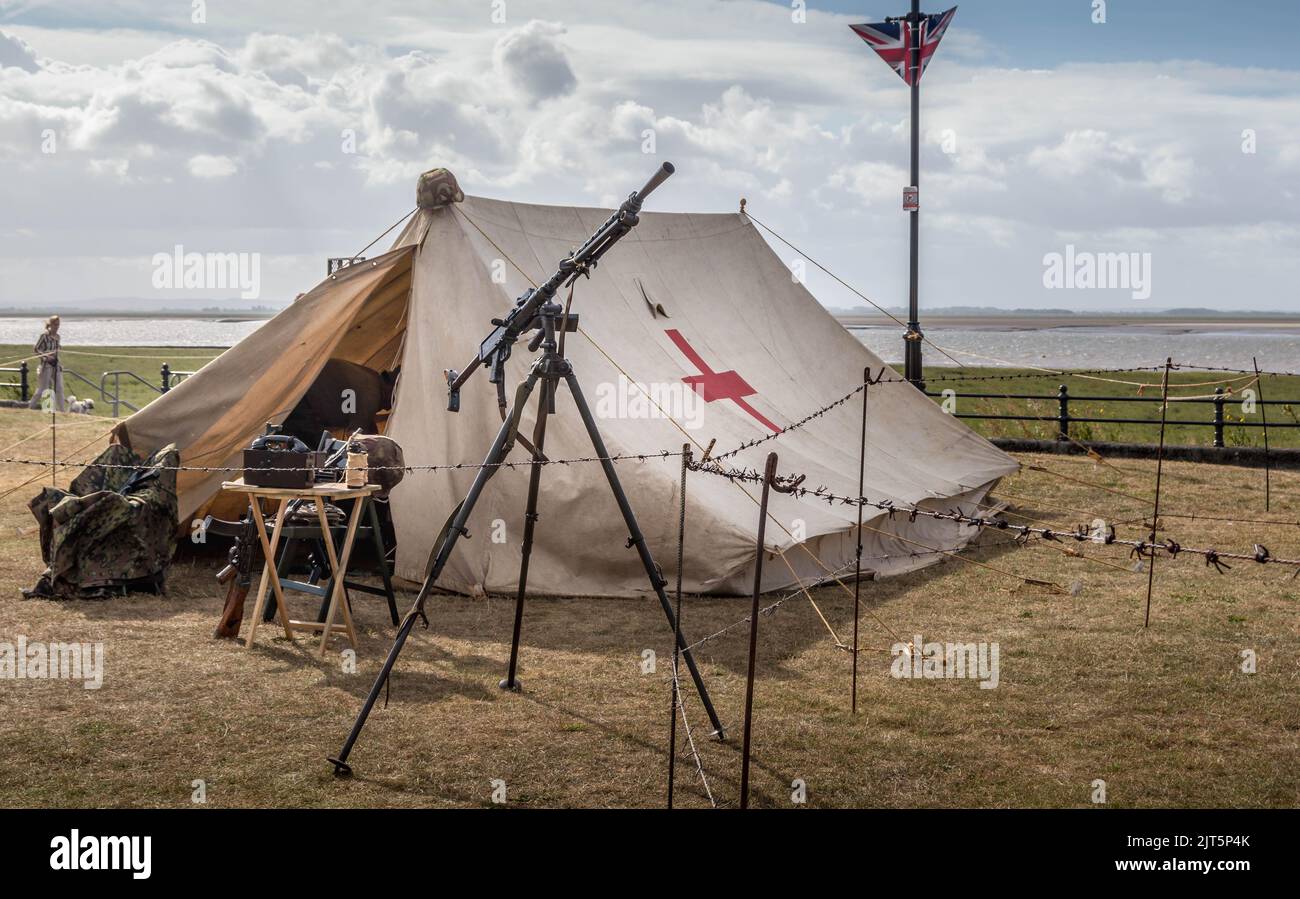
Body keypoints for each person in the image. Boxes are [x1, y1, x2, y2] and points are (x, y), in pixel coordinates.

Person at [29, 314, 65, 411]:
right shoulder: (44, 336)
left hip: (56, 364)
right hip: (46, 365)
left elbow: (57, 349)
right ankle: (30, 407)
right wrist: (46, 357)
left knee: (59, 388)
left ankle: (62, 411)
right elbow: (36, 349)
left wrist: (58, 351)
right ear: (51, 324)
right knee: (42, 389)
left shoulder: (58, 337)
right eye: (55, 324)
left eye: (58, 325)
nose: (57, 327)